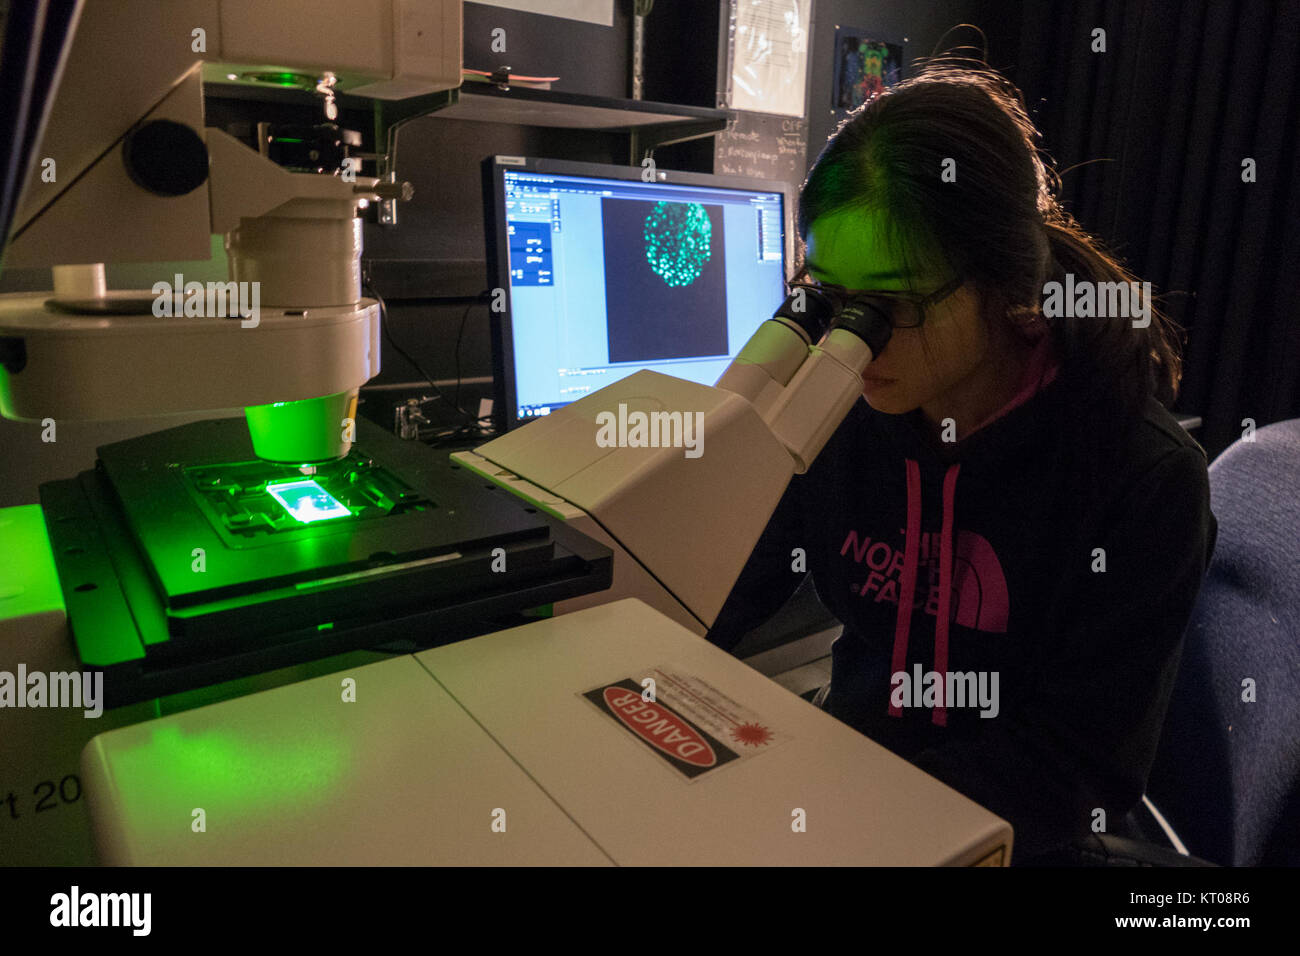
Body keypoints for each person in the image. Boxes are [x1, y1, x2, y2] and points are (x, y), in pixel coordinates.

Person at [706, 57, 1218, 865]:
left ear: (1006, 287)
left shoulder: (1141, 479)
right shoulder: (839, 411)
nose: (853, 342)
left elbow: (1079, 766)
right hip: (845, 783)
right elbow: (720, 591)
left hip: (1004, 834)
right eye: (828, 297)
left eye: (892, 305)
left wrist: (852, 815)